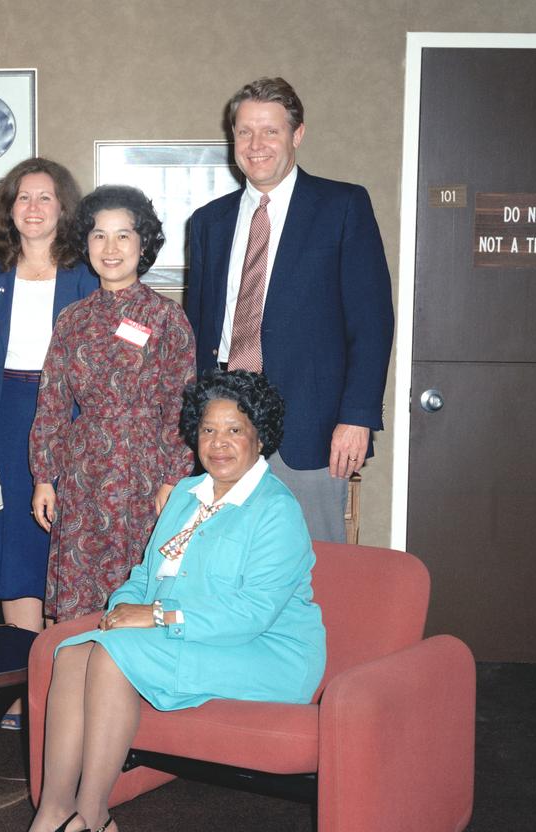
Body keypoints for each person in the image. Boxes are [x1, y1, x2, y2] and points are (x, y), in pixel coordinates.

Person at [0, 368, 326, 832]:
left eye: (234, 430)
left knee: (110, 654)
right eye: (208, 430)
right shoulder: (187, 495)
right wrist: (120, 610)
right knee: (74, 651)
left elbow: (251, 614)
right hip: (190, 634)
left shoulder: (275, 510)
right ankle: (52, 813)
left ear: (260, 436)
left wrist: (153, 617)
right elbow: (146, 575)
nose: (218, 444)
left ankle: (94, 818)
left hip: (266, 653)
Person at [186, 77, 394, 542]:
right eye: (244, 132)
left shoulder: (342, 207)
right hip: (223, 424)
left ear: (297, 135)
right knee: (225, 560)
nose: (256, 145)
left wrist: (357, 416)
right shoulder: (208, 223)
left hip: (312, 428)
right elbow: (199, 333)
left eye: (270, 131)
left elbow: (372, 323)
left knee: (313, 565)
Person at [0, 157, 98, 728]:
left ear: (63, 208)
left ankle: (71, 683)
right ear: (8, 208)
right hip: (3, 417)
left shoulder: (86, 272)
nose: (34, 208)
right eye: (23, 198)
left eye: (45, 198)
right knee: (16, 552)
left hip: (72, 417)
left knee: (64, 547)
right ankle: (28, 687)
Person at [29, 185, 195, 622]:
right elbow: (52, 403)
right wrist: (45, 478)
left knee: (139, 594)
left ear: (143, 244)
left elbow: (182, 405)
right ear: (86, 244)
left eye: (123, 235)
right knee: (81, 603)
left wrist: (171, 480)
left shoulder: (166, 317)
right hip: (84, 472)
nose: (111, 247)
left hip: (145, 474)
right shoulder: (73, 319)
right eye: (99, 235)